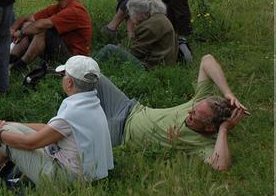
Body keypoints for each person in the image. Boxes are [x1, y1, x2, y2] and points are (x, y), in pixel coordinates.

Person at [0, 56, 113, 192]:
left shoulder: (73, 111)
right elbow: (48, 129)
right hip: (88, 177)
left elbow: (31, 143)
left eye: (64, 75)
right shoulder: (91, 103)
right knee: (8, 132)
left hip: (68, 182)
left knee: (4, 142)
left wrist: (0, 133)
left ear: (69, 82)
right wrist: (10, 124)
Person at [95, 54, 248, 171]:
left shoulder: (203, 144)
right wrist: (228, 93)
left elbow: (220, 166)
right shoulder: (202, 102)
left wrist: (224, 129)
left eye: (194, 116)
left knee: (77, 130)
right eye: (193, 109)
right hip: (129, 108)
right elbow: (207, 60)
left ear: (209, 128)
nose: (190, 111)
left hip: (120, 134)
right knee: (87, 73)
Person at [9, 0, 92, 70]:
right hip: (62, 50)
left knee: (42, 28)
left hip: (75, 61)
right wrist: (13, 28)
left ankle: (19, 66)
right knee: (28, 25)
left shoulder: (74, 10)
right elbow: (28, 18)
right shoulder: (58, 7)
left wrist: (21, 33)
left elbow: (42, 25)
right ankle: (10, 60)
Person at [94, 0, 176, 70]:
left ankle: (89, 67)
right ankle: (90, 62)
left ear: (140, 13)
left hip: (150, 68)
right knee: (115, 48)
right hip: (163, 65)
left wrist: (128, 36)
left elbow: (135, 53)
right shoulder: (158, 18)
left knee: (110, 49)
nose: (130, 17)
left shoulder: (148, 27)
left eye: (131, 13)